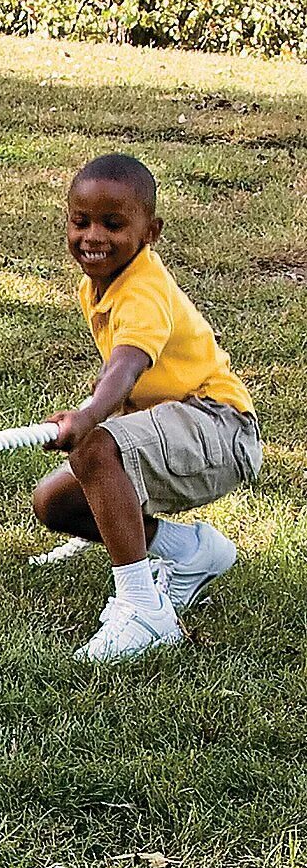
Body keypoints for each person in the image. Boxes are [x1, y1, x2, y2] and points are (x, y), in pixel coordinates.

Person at [33, 153, 262, 662]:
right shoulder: (96, 283)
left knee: (93, 446)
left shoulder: (141, 291)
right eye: (80, 221)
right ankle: (189, 554)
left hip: (220, 427)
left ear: (150, 230)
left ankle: (145, 610)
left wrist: (90, 417)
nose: (93, 236)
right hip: (181, 427)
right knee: (56, 503)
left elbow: (128, 365)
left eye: (113, 224)